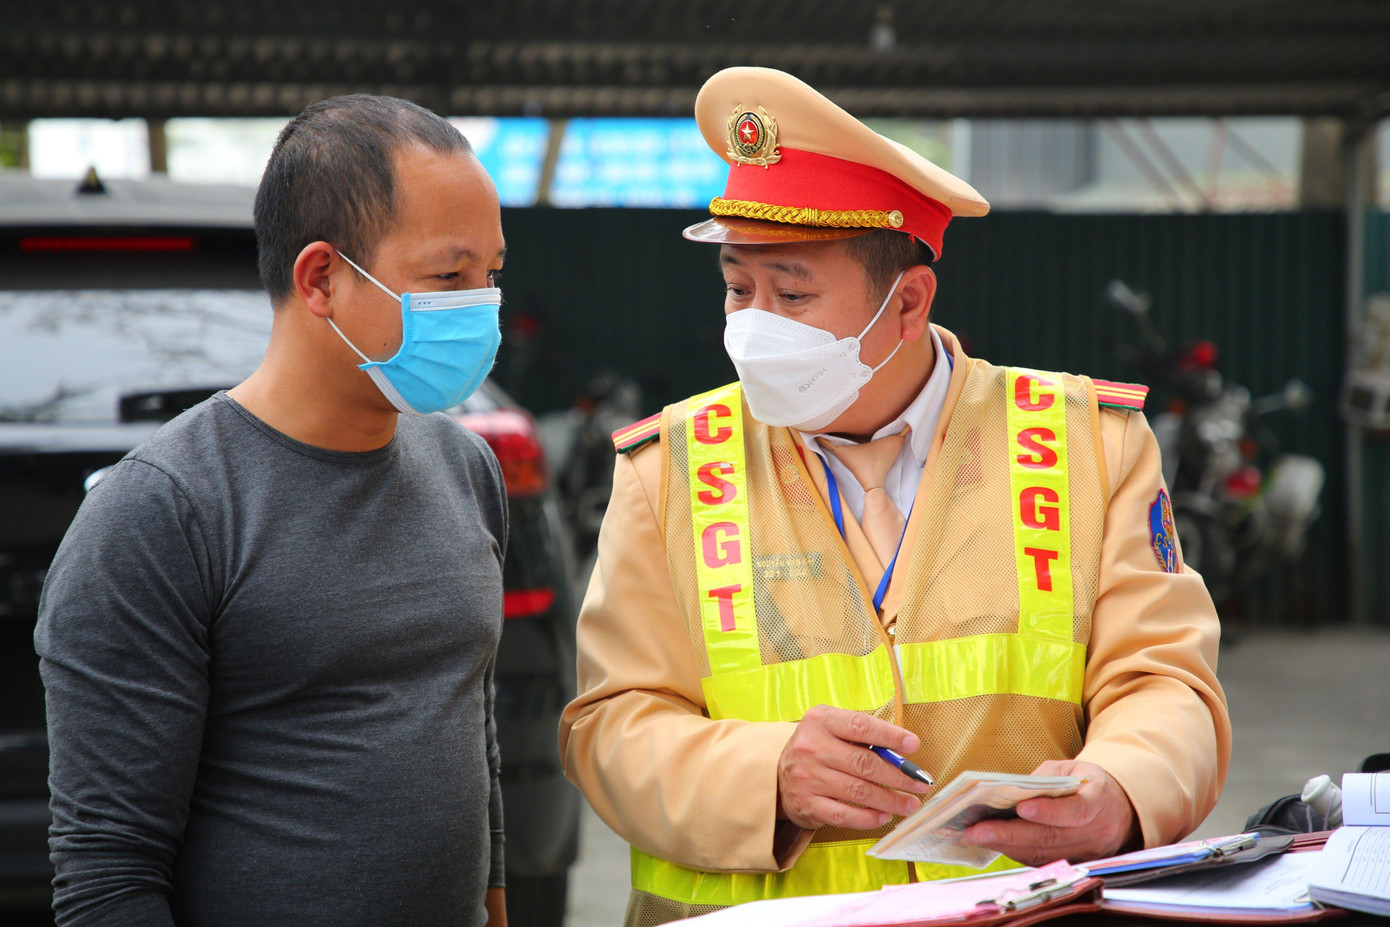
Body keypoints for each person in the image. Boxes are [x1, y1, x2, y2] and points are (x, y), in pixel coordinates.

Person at [559, 67, 1232, 925]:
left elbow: (1165, 678)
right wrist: (765, 777)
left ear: (908, 302)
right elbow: (610, 726)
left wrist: (1126, 785)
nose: (752, 325)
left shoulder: (1086, 445)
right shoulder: (671, 468)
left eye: (792, 293)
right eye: (737, 287)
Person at [35, 95, 510, 926]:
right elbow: (109, 873)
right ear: (321, 278)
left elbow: (475, 735)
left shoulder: (465, 467)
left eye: (491, 274)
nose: (480, 306)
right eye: (448, 276)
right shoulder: (166, 512)